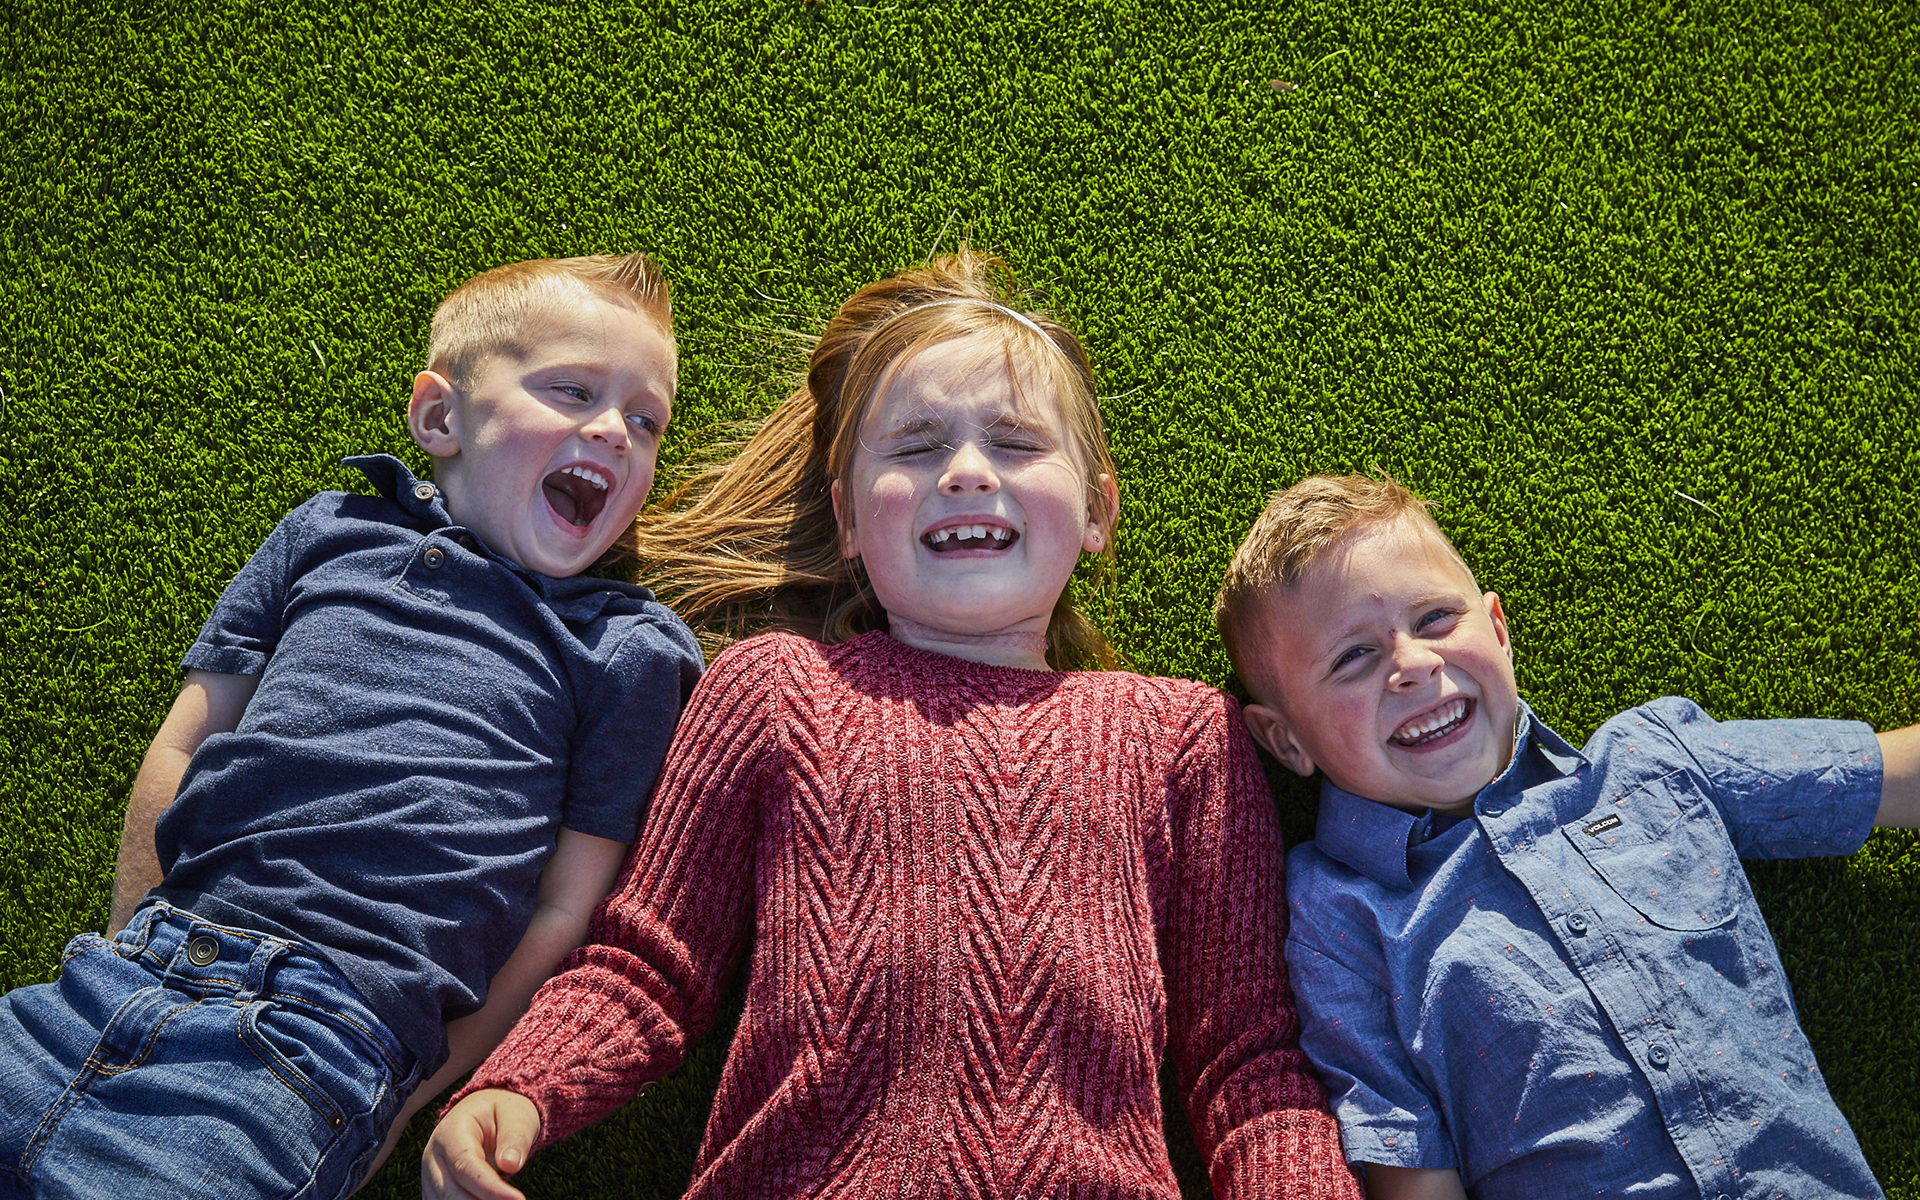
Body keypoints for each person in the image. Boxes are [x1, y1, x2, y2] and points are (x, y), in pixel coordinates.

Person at [422, 251, 1362, 1200]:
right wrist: (519, 1086)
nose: (965, 473)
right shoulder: (774, 689)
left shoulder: (1183, 738)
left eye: (1015, 442)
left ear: (1097, 510)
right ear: (848, 521)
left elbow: (1247, 1065)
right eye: (914, 448)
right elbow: (650, 967)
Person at [0, 252, 704, 1200]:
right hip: (104, 982)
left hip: (311, 1045)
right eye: (574, 390)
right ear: (440, 418)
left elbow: (564, 910)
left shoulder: (626, 649)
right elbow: (183, 743)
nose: (615, 430)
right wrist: (131, 938)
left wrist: (409, 1098)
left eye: (647, 421)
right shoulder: (329, 531)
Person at [1211, 473, 1920, 1200]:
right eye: (1352, 657)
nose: (1415, 665)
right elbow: (1413, 1169)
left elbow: (1887, 774)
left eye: (1435, 618)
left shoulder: (1651, 762)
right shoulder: (1338, 919)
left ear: (1499, 630)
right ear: (1286, 740)